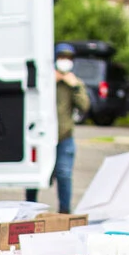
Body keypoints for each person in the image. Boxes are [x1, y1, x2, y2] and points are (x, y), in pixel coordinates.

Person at [52, 40, 93, 214]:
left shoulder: (73, 83)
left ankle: (65, 212)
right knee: (38, 177)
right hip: (43, 136)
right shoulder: (46, 81)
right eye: (61, 57)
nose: (64, 60)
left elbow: (84, 106)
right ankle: (30, 208)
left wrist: (75, 86)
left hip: (64, 136)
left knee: (64, 174)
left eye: (68, 58)